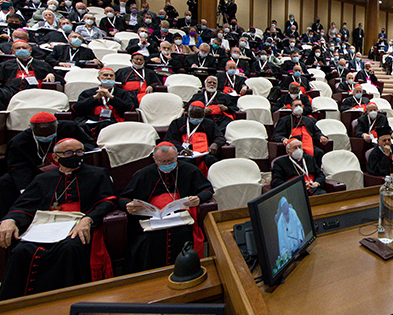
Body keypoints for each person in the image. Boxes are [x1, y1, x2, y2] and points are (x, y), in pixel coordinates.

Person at [0, 138, 116, 299]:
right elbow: (24, 205)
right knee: (21, 250)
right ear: (55, 157)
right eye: (68, 153)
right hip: (45, 225)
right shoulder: (43, 179)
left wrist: (88, 219)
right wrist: (10, 220)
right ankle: (16, 303)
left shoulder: (97, 174)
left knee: (70, 248)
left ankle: (66, 299)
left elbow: (107, 201)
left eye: (79, 152)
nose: (75, 156)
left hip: (77, 224)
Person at [118, 142, 213, 273]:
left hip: (181, 218)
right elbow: (123, 198)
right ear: (154, 160)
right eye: (162, 162)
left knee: (183, 234)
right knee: (148, 240)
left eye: (170, 161)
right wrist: (128, 205)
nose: (167, 165)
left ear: (177, 156)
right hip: (151, 220)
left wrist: (199, 198)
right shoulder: (144, 174)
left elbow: (207, 189)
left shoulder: (189, 170)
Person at [0, 112, 95, 217]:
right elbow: (18, 166)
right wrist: (25, 190)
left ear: (56, 126)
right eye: (41, 135)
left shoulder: (69, 128)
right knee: (5, 182)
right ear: (32, 129)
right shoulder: (19, 141)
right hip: (35, 174)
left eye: (49, 134)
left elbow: (88, 144)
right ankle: (11, 217)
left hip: (70, 168)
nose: (46, 137)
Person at [73, 67, 137, 138]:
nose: (108, 77)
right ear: (99, 78)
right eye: (105, 75)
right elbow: (76, 109)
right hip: (93, 121)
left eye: (111, 75)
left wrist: (111, 97)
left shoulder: (123, 93)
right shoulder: (88, 93)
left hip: (114, 121)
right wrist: (94, 98)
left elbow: (130, 108)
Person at [163, 102, 225, 174]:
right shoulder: (177, 123)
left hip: (204, 154)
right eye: (193, 116)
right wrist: (181, 150)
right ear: (188, 114)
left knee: (211, 160)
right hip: (185, 154)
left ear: (203, 115)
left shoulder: (209, 123)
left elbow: (220, 137)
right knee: (184, 163)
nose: (196, 119)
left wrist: (215, 144)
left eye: (199, 116)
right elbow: (170, 140)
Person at [272, 99, 329, 164]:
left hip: (309, 144)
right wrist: (283, 139)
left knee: (319, 152)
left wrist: (321, 137)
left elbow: (316, 132)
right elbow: (276, 135)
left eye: (300, 105)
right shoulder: (284, 120)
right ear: (291, 108)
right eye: (296, 105)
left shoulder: (309, 120)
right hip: (295, 145)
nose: (298, 107)